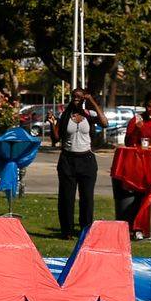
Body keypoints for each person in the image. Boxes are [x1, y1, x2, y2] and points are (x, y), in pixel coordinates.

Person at [114, 93, 151, 238]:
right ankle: (136, 228)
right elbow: (128, 141)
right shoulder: (137, 120)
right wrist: (138, 130)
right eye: (149, 106)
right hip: (139, 164)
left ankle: (150, 227)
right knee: (138, 196)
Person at [53, 88, 102, 238]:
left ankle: (85, 230)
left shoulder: (89, 114)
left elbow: (104, 122)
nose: (76, 99)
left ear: (84, 99)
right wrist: (52, 124)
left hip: (86, 160)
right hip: (68, 160)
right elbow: (56, 138)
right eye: (74, 96)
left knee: (87, 198)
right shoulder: (65, 115)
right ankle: (66, 231)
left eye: (80, 97)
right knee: (66, 198)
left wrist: (92, 101)